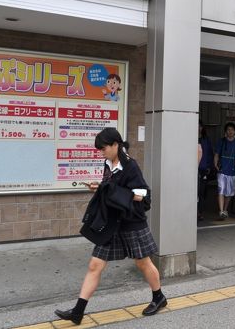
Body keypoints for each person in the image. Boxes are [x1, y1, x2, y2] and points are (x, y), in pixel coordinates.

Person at [54, 128, 166, 325]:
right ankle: (78, 312)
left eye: (103, 148)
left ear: (116, 145)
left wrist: (110, 189)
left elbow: (142, 195)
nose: (101, 152)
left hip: (132, 222)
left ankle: (159, 297)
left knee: (143, 263)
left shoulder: (130, 166)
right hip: (112, 223)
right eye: (99, 149)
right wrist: (100, 187)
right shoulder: (108, 163)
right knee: (94, 265)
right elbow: (112, 190)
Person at [213, 122, 235, 219]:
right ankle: (221, 211)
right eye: (228, 130)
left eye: (232, 129)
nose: (230, 131)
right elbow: (216, 154)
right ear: (225, 131)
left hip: (232, 171)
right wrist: (215, 164)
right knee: (221, 190)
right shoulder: (221, 142)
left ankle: (225, 209)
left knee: (230, 192)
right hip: (222, 170)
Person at [197, 120, 213, 220]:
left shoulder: (206, 139)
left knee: (201, 192)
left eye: (200, 126)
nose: (198, 128)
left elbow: (209, 154)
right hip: (190, 170)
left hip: (203, 169)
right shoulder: (189, 137)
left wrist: (208, 167)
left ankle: (200, 212)